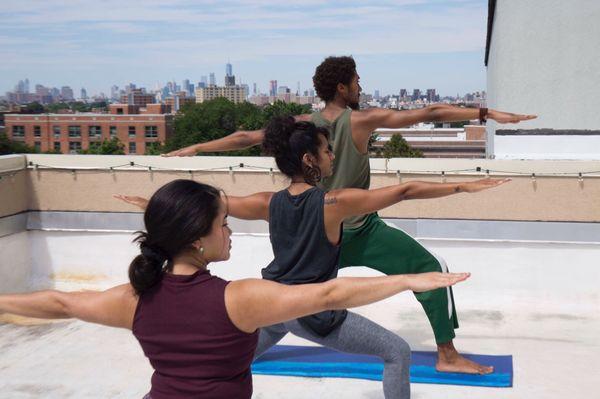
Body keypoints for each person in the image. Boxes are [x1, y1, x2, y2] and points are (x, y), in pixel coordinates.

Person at [161, 57, 534, 374]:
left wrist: (195, 146)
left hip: (314, 233)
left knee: (287, 297)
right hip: (359, 231)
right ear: (342, 87)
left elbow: (246, 136)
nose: (360, 86)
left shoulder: (303, 124)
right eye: (356, 80)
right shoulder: (359, 121)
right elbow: (430, 112)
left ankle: (232, 351)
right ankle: (447, 355)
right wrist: (488, 113)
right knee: (430, 267)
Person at [118, 117, 507, 397]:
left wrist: (154, 203)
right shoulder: (332, 204)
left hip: (271, 307)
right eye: (326, 151)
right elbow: (404, 192)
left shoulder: (267, 203)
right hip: (312, 314)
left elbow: (207, 202)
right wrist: (464, 186)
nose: (332, 157)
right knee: (397, 352)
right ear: (309, 159)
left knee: (233, 353)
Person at [0, 179, 470, 399]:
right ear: (196, 239)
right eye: (224, 225)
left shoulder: (134, 299)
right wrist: (409, 279)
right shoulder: (239, 299)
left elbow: (60, 302)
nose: (231, 232)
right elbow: (329, 296)